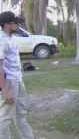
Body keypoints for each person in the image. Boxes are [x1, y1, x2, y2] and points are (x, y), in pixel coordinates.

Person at [0, 11, 34, 139]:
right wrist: (5, 90)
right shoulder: (2, 41)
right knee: (5, 117)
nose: (18, 25)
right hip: (9, 82)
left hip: (18, 80)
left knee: (20, 115)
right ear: (7, 25)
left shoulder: (11, 38)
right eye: (16, 23)